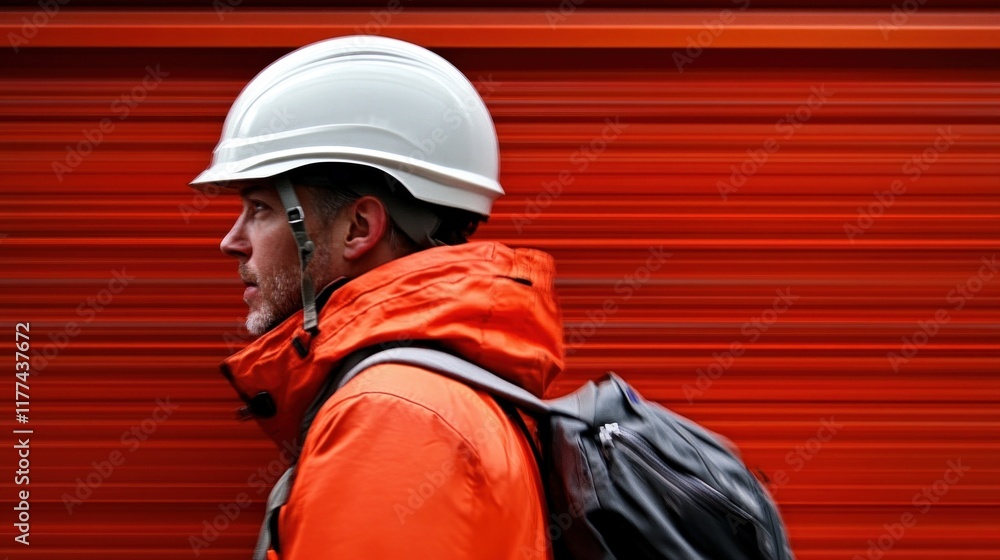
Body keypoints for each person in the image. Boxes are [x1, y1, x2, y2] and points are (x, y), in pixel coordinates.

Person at [189, 36, 564, 559]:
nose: (231, 241)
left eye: (259, 208)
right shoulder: (424, 394)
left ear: (358, 228)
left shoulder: (396, 414)